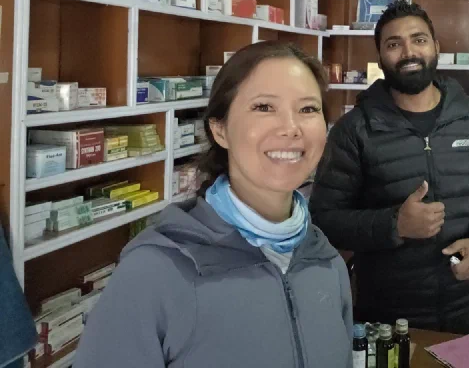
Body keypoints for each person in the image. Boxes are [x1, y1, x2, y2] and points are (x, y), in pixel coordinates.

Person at [75, 42, 353, 368]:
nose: (291, 128)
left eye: (308, 109)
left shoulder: (327, 265)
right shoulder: (154, 273)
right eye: (264, 107)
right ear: (220, 129)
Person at [311, 0, 469, 337]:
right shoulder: (355, 128)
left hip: (466, 305)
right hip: (386, 314)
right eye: (394, 44)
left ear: (436, 47)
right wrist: (395, 224)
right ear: (380, 57)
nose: (408, 52)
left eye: (418, 40)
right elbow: (324, 219)